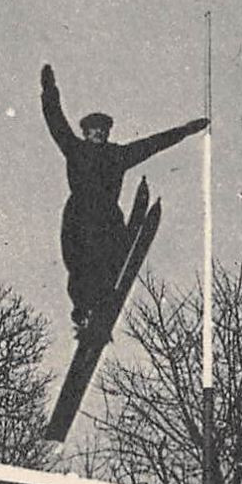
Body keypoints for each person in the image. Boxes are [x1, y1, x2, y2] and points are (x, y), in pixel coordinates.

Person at [40, 62, 208, 335]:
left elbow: (152, 144)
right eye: (95, 130)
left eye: (103, 131)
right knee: (80, 263)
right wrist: (49, 90)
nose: (100, 134)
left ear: (107, 133)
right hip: (79, 215)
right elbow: (55, 120)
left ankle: (102, 300)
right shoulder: (75, 149)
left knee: (107, 258)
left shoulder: (116, 155)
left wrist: (185, 131)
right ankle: (83, 310)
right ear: (86, 132)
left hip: (106, 216)